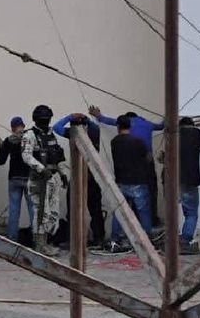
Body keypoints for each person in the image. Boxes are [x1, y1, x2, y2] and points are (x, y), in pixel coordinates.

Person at [90, 105, 164, 224]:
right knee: (149, 194)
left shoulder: (117, 138)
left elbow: (110, 121)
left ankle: (124, 230)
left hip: (125, 171)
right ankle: (151, 221)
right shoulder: (147, 124)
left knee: (122, 206)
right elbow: (161, 126)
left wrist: (98, 116)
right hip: (145, 166)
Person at [22, 104, 69, 256]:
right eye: (43, 119)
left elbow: (57, 156)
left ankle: (46, 242)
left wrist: (62, 174)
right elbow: (26, 156)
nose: (45, 122)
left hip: (52, 178)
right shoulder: (29, 135)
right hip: (39, 180)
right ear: (36, 119)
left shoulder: (50, 135)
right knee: (41, 212)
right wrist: (41, 169)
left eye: (47, 119)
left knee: (53, 213)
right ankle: (39, 245)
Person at [53, 113, 106, 247]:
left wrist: (69, 117)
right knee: (95, 210)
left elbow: (56, 127)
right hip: (93, 176)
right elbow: (95, 126)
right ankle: (99, 239)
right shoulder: (94, 132)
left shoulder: (73, 133)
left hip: (78, 177)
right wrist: (86, 119)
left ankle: (73, 241)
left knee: (73, 210)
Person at [108, 114, 153, 253]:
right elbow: (148, 158)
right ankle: (146, 242)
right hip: (138, 181)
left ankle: (115, 240)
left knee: (120, 212)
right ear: (131, 126)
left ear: (118, 127)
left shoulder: (114, 142)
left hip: (121, 182)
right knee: (143, 212)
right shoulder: (138, 142)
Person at [0, 116, 34, 240]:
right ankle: (36, 239)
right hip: (29, 178)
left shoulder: (8, 141)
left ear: (12, 128)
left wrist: (1, 147)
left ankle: (12, 238)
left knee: (14, 210)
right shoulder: (31, 138)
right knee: (33, 209)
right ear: (23, 125)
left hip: (14, 178)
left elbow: (1, 161)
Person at [178, 117, 200, 254]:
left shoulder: (173, 135)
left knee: (175, 211)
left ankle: (175, 240)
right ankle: (185, 242)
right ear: (191, 125)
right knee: (191, 213)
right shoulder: (195, 132)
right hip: (190, 180)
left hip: (172, 181)